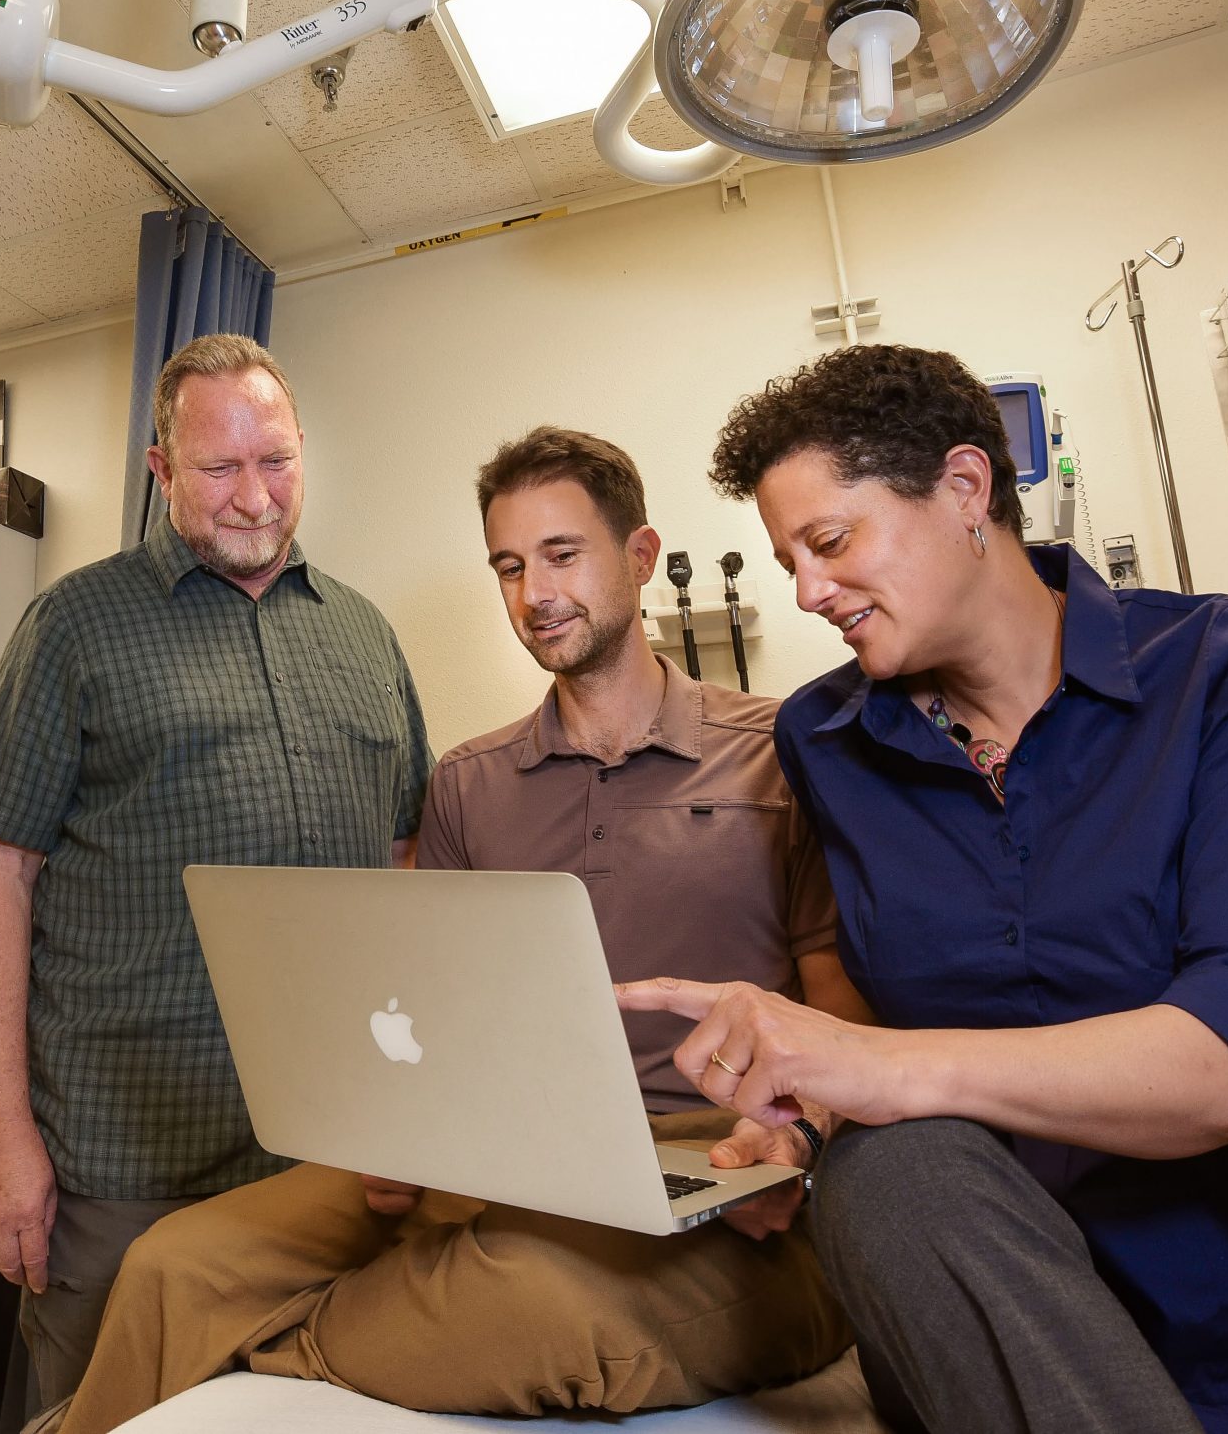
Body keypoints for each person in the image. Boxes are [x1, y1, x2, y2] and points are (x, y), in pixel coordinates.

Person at [619, 343, 1228, 1434]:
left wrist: (877, 1066)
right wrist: (805, 1113)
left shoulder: (1219, 671)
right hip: (973, 1339)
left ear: (965, 488)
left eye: (828, 541)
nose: (810, 592)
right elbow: (873, 1012)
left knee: (897, 1130)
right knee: (890, 1163)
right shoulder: (823, 741)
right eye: (789, 563)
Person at [46, 427, 864, 1434]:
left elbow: (844, 999)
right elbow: (429, 1012)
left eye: (562, 555)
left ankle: (264, 1352)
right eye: (509, 567)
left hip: (717, 1165)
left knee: (539, 1299)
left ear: (639, 556)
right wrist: (403, 1128)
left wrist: (798, 1131)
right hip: (500, 1158)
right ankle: (278, 1339)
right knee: (178, 1260)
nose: (535, 594)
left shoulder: (776, 756)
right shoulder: (471, 782)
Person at [0, 333, 432, 1420]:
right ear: (161, 470)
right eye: (219, 469)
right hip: (124, 1161)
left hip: (327, 1158)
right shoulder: (75, 624)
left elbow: (407, 861)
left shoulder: (363, 634)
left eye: (279, 460)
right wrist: (1, 1137)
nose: (256, 496)